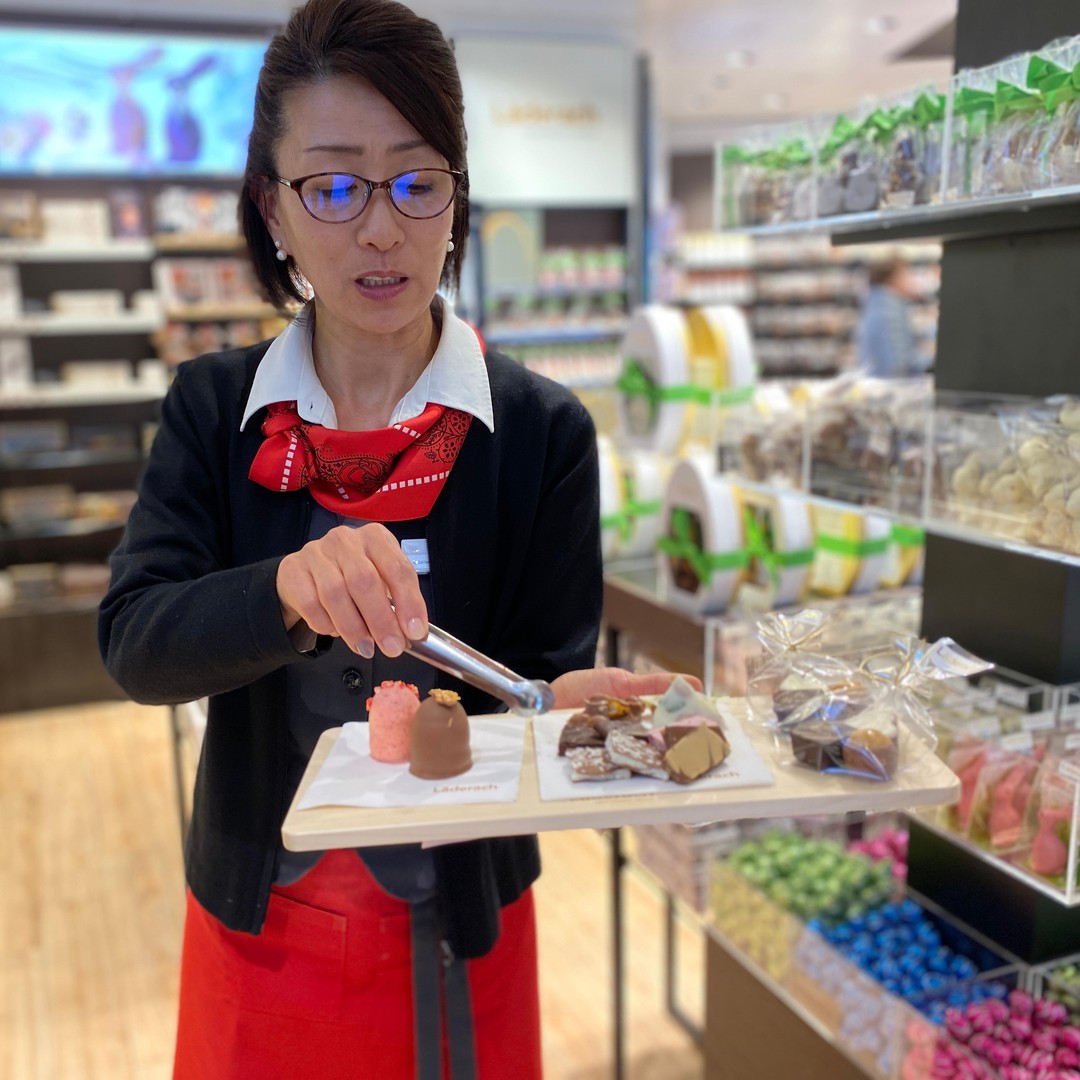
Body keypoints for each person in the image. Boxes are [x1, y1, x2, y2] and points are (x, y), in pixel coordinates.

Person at [97, 2, 691, 1077]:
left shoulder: (540, 433)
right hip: (260, 906)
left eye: (418, 182)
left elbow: (539, 680)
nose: (380, 230)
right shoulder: (213, 410)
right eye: (334, 187)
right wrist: (283, 589)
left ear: (457, 199)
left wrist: (556, 714)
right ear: (274, 209)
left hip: (460, 920)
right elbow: (137, 645)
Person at [853, 259, 923, 377]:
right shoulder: (889, 310)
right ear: (892, 278)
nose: (912, 280)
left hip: (874, 379)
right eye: (906, 275)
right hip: (891, 383)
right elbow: (899, 363)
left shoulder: (875, 303)